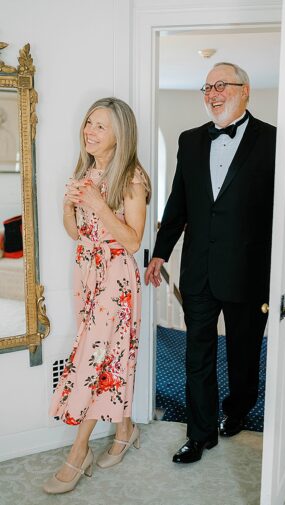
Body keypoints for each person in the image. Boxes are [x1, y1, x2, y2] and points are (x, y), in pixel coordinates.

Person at [144, 62, 276, 463]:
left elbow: (280, 210)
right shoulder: (190, 141)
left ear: (245, 90)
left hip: (248, 270)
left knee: (244, 350)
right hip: (198, 270)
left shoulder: (273, 140)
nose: (213, 94)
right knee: (197, 353)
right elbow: (178, 203)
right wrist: (161, 252)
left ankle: (237, 410)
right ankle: (200, 435)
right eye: (207, 88)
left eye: (222, 85)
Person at [46, 97, 151, 494]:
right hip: (86, 273)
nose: (89, 131)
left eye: (100, 125)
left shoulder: (132, 178)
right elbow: (76, 232)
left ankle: (79, 452)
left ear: (119, 134)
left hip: (116, 277)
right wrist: (69, 207)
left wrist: (96, 204)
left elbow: (133, 239)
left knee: (93, 359)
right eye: (89, 122)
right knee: (106, 354)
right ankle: (125, 429)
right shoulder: (87, 171)